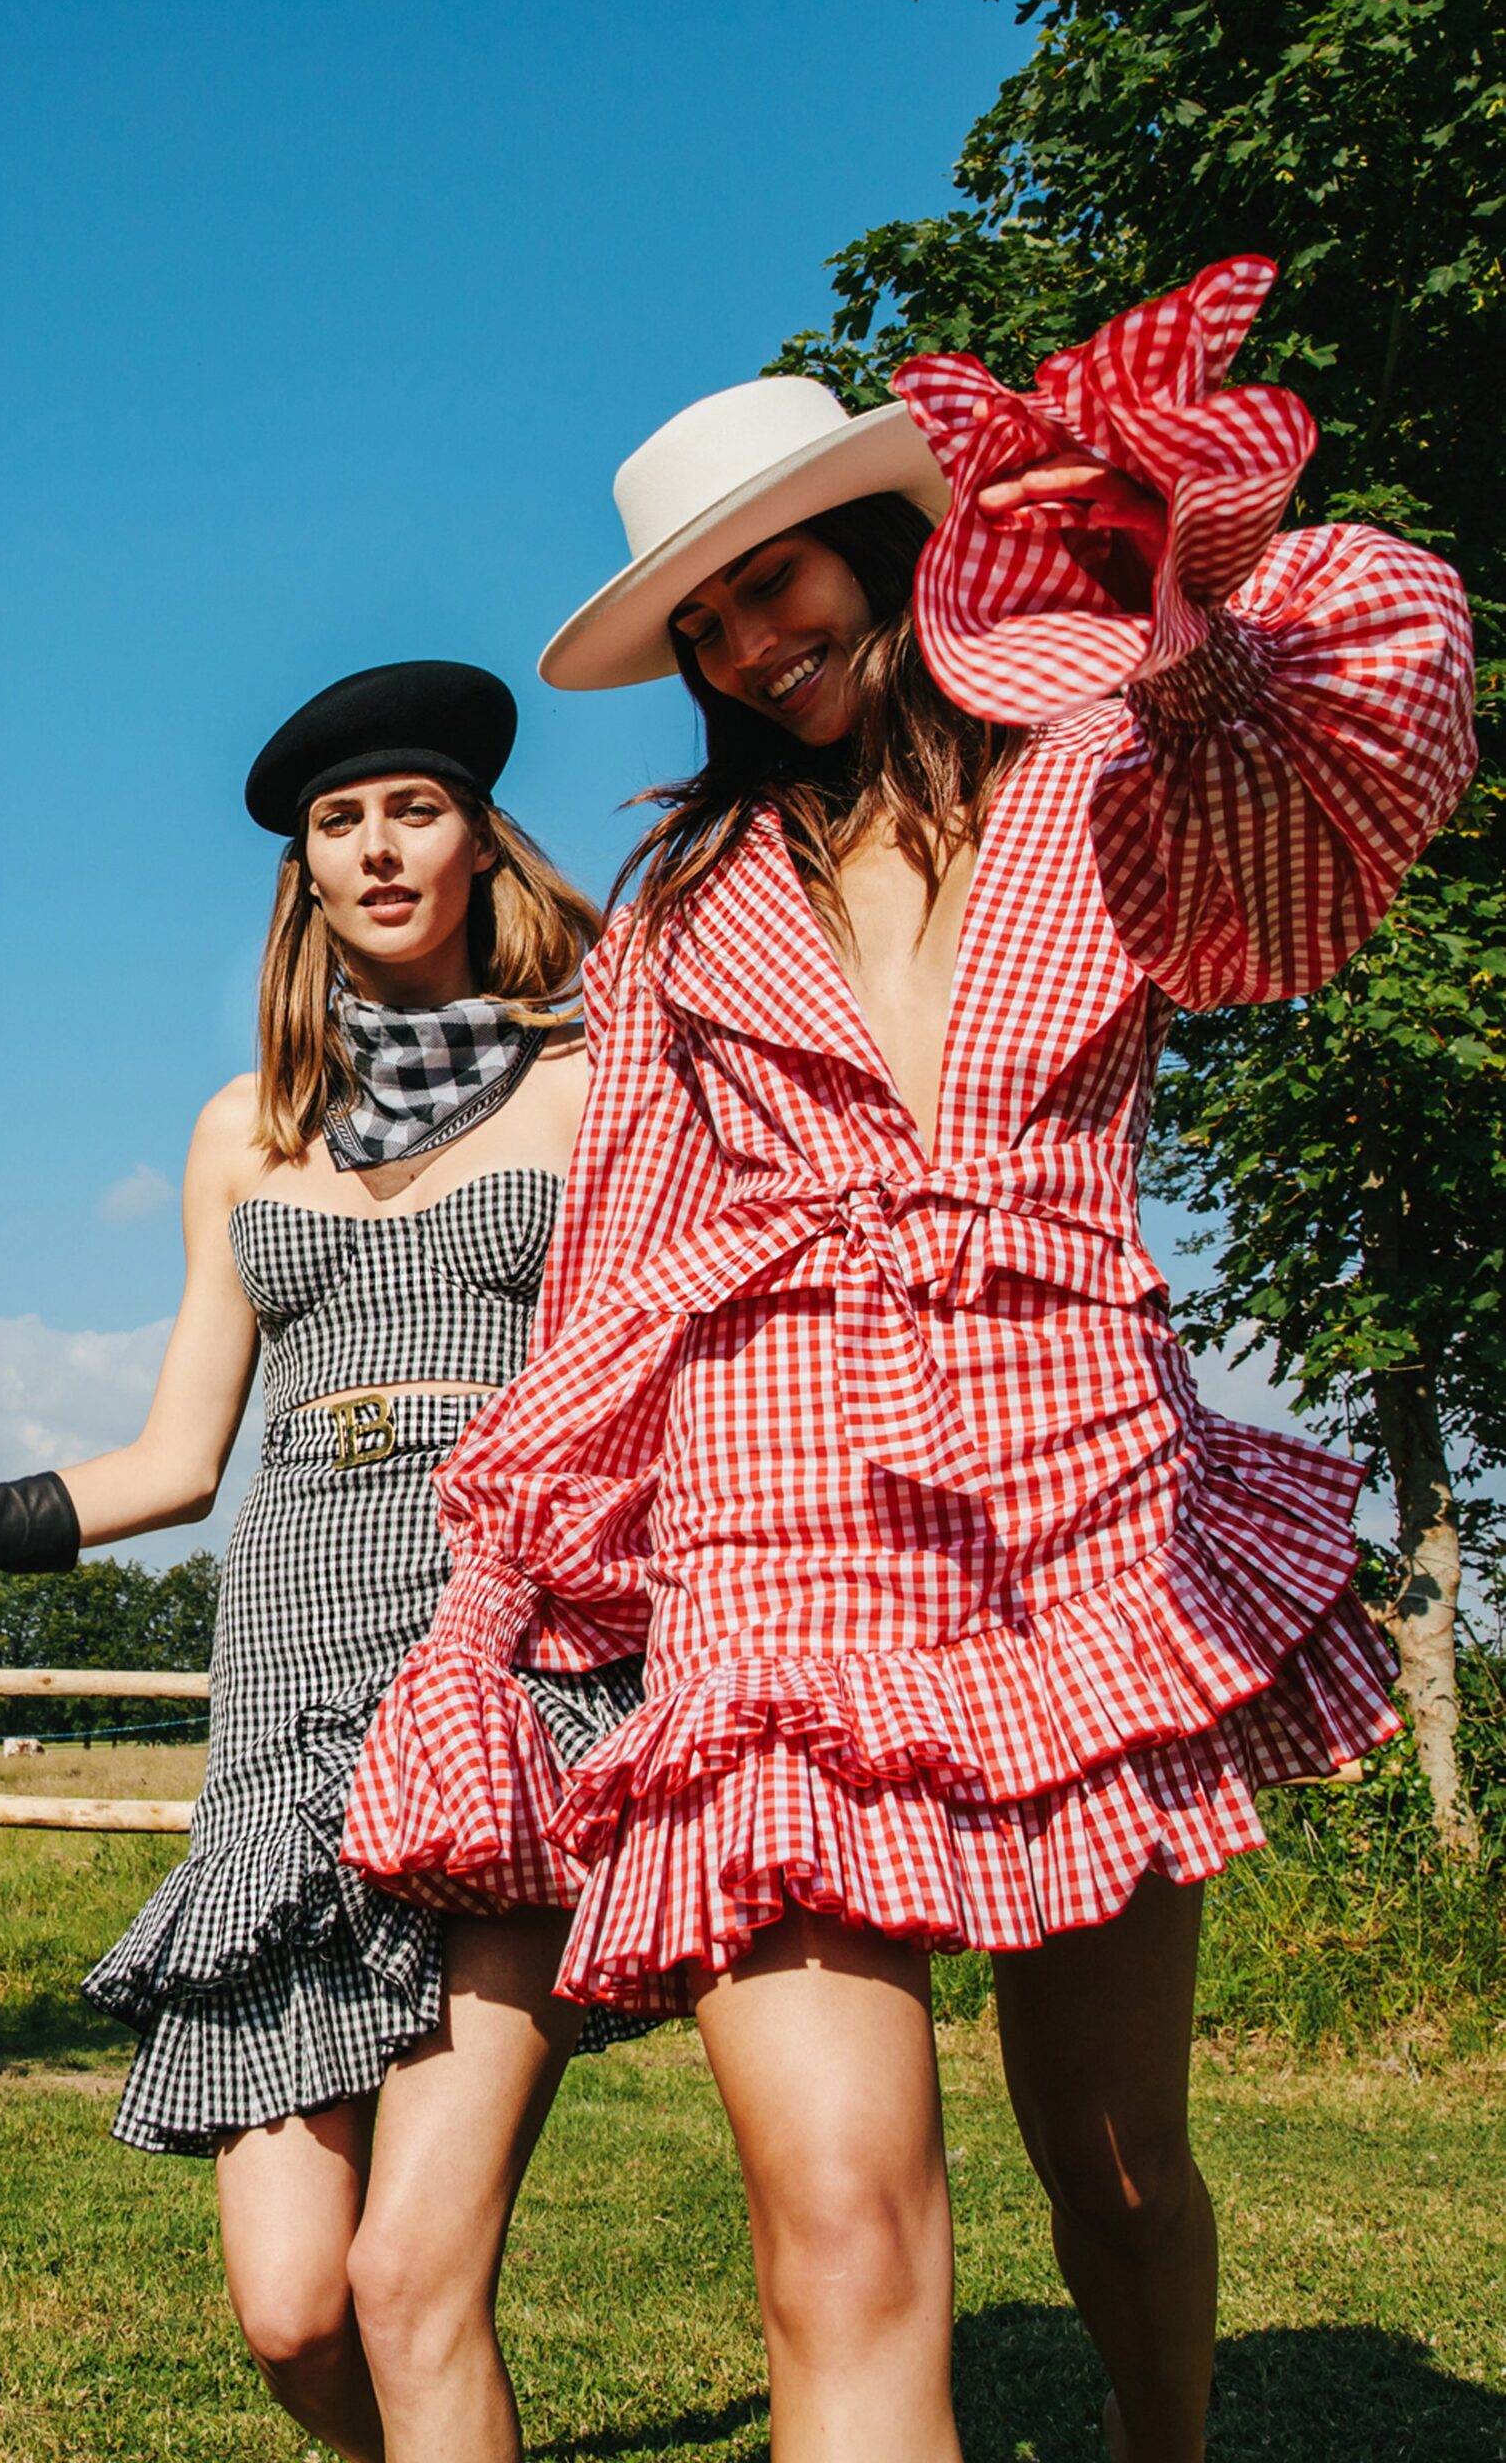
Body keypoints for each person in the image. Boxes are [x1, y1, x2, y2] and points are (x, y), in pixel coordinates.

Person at [339, 264, 1477, 2461]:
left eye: (775, 587)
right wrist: (500, 1600)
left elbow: (1352, 731)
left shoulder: (1111, 770)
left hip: (1081, 1513)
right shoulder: (678, 916)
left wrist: (1182, 587)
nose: (757, 646)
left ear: (876, 544)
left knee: (1119, 2174)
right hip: (774, 1537)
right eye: (707, 628)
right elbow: (616, 1263)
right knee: (838, 2218)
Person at [0, 659, 641, 2463]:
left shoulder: (602, 1079)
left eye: (414, 808)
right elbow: (172, 1468)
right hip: (284, 1711)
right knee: (290, 2316)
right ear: (307, 879)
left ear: (483, 839)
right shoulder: (246, 1127)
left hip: (502, 1684)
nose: (380, 847)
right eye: (341, 825)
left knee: (417, 2282)